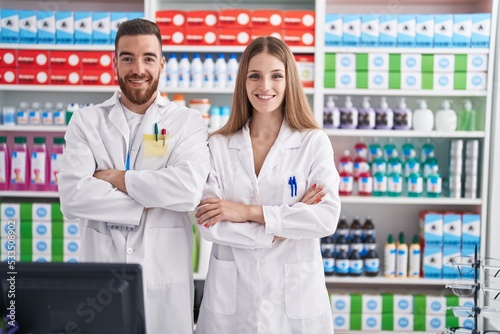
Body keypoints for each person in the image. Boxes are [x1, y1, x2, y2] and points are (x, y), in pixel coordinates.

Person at [57, 18, 210, 334]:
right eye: (127, 57)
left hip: (163, 285)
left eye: (148, 58)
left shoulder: (187, 122)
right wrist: (150, 198)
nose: (138, 68)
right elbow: (72, 198)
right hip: (100, 284)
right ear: (114, 63)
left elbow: (187, 191)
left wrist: (115, 178)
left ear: (162, 63)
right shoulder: (86, 122)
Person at [194, 36, 341, 334]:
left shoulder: (313, 143)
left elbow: (325, 218)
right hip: (232, 302)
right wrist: (284, 226)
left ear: (289, 81)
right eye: (255, 76)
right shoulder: (218, 145)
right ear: (243, 82)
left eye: (276, 76)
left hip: (295, 303)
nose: (265, 86)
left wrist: (246, 211)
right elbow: (209, 224)